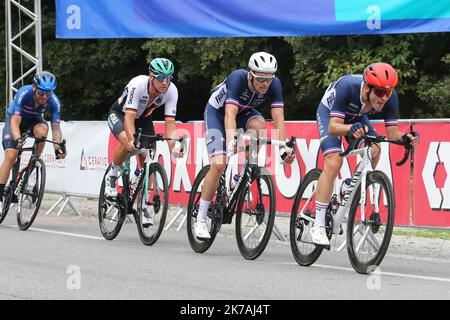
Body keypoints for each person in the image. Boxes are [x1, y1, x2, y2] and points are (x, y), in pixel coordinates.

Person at [313, 62, 419, 246]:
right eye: (379, 92)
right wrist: (348, 129)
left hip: (356, 118)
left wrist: (405, 138)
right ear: (367, 88)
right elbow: (333, 127)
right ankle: (319, 224)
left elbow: (392, 133)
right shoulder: (347, 87)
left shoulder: (389, 97)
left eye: (388, 92)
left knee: (375, 148)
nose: (384, 98)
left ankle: (349, 186)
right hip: (329, 116)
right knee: (334, 161)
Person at [194, 51, 296, 239]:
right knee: (218, 164)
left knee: (259, 126)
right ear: (250, 74)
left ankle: (240, 176)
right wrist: (233, 138)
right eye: (260, 80)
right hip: (217, 112)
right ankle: (200, 218)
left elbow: (279, 119)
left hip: (245, 113)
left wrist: (284, 146)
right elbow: (229, 114)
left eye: (269, 80)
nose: (265, 84)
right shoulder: (237, 79)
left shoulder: (274, 85)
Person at [106, 58, 182, 227]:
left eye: (169, 78)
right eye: (161, 78)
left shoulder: (171, 91)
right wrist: (132, 139)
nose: (165, 82)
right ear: (151, 76)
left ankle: (144, 203)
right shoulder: (138, 84)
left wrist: (174, 146)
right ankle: (112, 174)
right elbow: (129, 116)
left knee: (148, 159)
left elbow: (170, 122)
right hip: (120, 114)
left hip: (144, 119)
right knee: (128, 142)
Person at [0, 71, 66, 212]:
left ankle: (34, 161)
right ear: (34, 87)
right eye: (42, 92)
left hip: (34, 122)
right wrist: (18, 139)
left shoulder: (54, 102)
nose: (44, 97)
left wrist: (58, 148)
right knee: (11, 156)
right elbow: (15, 122)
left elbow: (56, 129)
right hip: (14, 121)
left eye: (48, 93)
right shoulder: (25, 93)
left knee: (43, 130)